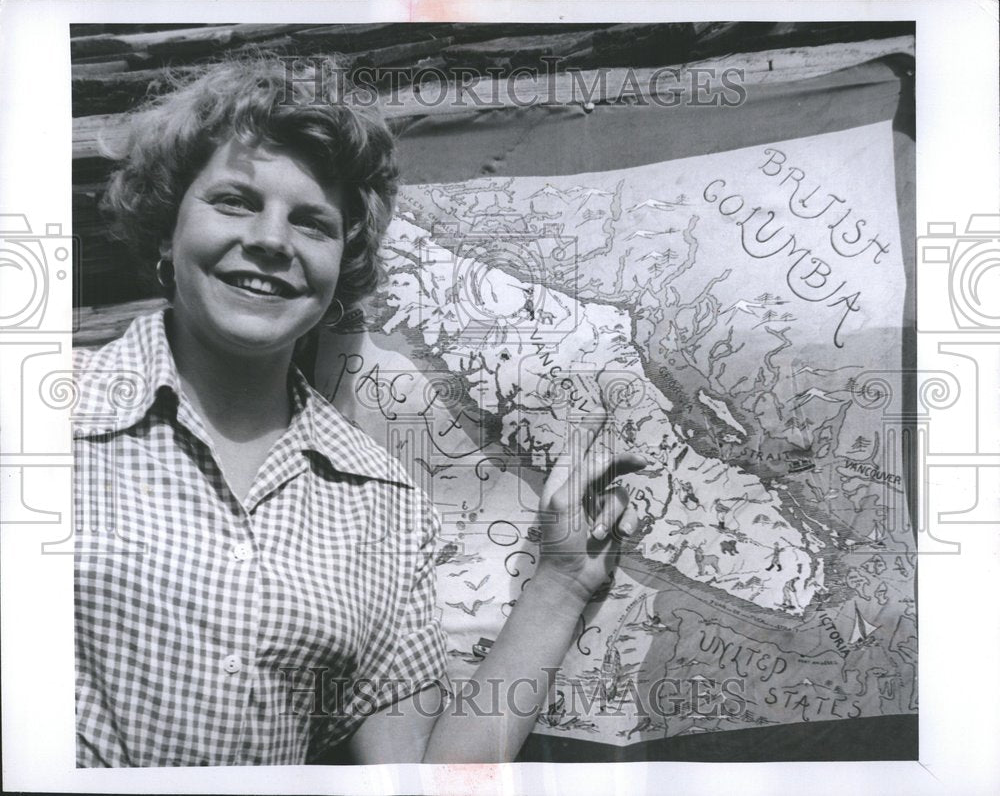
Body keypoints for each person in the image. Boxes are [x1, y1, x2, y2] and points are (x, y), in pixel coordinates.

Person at [73, 54, 645, 767]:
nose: (272, 240)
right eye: (234, 201)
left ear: (341, 263)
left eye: (312, 221)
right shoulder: (40, 413)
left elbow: (424, 780)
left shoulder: (382, 505)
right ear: (166, 227)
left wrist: (562, 582)